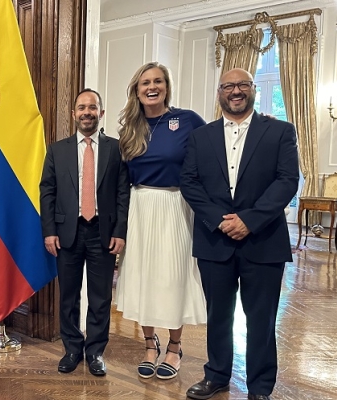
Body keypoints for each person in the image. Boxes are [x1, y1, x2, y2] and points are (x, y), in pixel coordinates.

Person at [181, 68, 299, 400]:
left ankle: (260, 387)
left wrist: (249, 220)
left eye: (243, 85)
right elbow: (190, 182)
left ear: (252, 91)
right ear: (219, 92)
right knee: (218, 315)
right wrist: (220, 220)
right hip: (214, 241)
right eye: (229, 86)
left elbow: (287, 181)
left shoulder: (279, 132)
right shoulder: (200, 136)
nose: (236, 91)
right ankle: (216, 375)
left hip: (264, 242)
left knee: (261, 320)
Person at [114, 62, 208, 380]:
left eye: (158, 81)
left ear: (166, 86)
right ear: (137, 90)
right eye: (145, 83)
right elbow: (122, 181)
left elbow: (210, 162)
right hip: (140, 207)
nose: (151, 87)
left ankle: (174, 346)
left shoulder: (187, 120)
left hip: (175, 207)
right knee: (144, 278)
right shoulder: (129, 127)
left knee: (172, 278)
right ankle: (150, 344)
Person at [40, 88, 130, 376]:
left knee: (101, 296)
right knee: (68, 295)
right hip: (68, 232)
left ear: (101, 113)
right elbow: (47, 191)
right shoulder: (57, 149)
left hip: (103, 232)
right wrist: (49, 231)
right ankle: (72, 348)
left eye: (93, 107)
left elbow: (122, 193)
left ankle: (95, 351)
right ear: (74, 113)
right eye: (82, 107)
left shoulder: (117, 149)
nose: (87, 112)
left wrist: (120, 230)